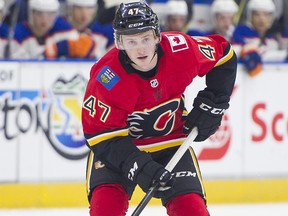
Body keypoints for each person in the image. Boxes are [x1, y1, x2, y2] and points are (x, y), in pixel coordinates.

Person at [81, 1, 237, 216]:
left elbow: (224, 54)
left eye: (145, 38)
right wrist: (140, 166)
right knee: (105, 210)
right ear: (119, 42)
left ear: (157, 36)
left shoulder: (181, 49)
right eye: (131, 41)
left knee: (192, 211)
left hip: (171, 143)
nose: (141, 48)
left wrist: (214, 103)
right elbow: (100, 135)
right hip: (120, 150)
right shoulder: (107, 78)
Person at [9, 0, 95, 59]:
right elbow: (21, 68)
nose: (44, 19)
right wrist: (51, 51)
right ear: (31, 14)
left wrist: (89, 49)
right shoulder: (18, 33)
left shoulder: (63, 28)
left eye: (50, 14)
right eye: (39, 14)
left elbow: (85, 50)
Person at [232, 0, 287, 77]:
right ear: (250, 16)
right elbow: (237, 51)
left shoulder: (275, 36)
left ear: (272, 17)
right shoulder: (241, 32)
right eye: (257, 14)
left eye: (266, 15)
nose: (262, 19)